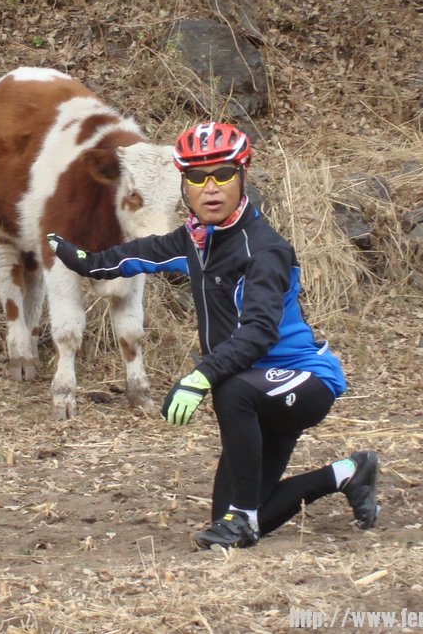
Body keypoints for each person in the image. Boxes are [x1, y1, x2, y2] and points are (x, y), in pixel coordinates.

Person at [46, 122, 379, 549]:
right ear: (184, 185)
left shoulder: (263, 250)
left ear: (243, 175)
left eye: (223, 174)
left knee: (232, 390)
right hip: (253, 389)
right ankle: (349, 473)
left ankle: (241, 516)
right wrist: (83, 260)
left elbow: (258, 333)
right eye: (198, 177)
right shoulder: (197, 239)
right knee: (235, 518)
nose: (211, 187)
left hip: (301, 379)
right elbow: (135, 256)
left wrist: (198, 377)